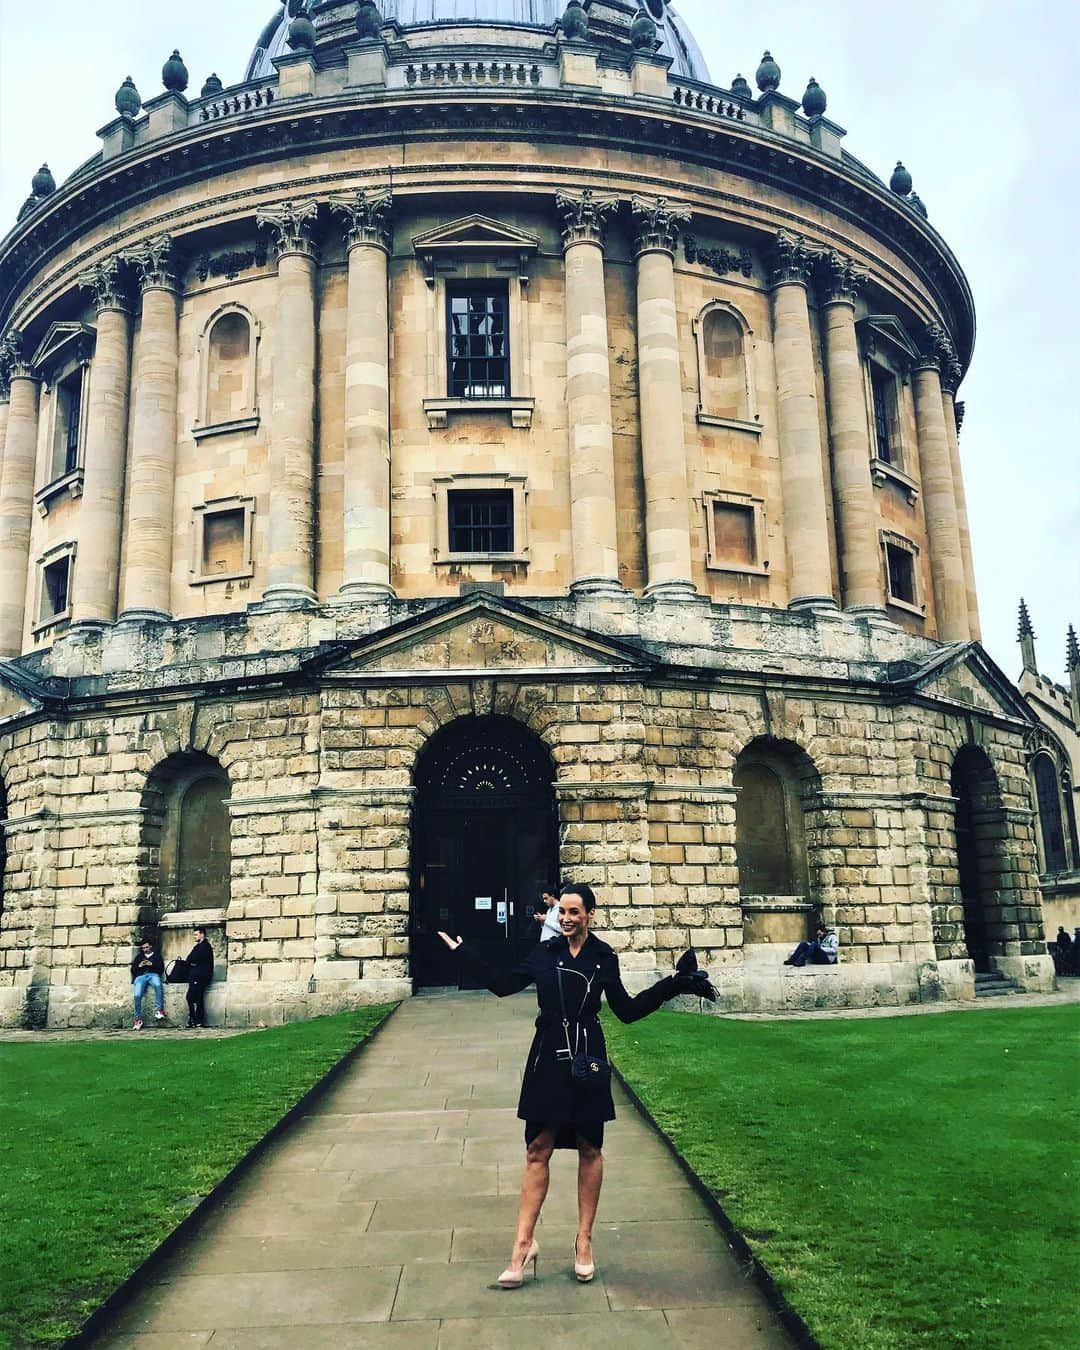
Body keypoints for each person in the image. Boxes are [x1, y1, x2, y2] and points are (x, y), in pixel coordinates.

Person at [438, 881, 714, 1289]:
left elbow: (627, 1010)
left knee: (589, 1146)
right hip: (547, 1057)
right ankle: (522, 1246)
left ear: (589, 915)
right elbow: (502, 984)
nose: (566, 919)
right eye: (562, 912)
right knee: (537, 1149)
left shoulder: (603, 958)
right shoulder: (544, 953)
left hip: (587, 1060)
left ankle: (584, 1242)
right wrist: (464, 953)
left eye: (573, 912)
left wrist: (674, 983)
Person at [130, 939, 165, 1029]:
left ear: (150, 946)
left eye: (146, 947)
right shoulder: (139, 957)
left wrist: (151, 964)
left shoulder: (157, 956)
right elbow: (133, 970)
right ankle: (138, 1019)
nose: (145, 949)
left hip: (153, 975)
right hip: (141, 976)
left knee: (157, 985)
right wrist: (139, 966)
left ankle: (159, 1010)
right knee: (137, 995)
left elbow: (161, 969)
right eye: (143, 948)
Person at [185, 926, 215, 1028]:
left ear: (202, 934)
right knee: (195, 998)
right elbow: (189, 959)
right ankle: (195, 1019)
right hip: (196, 975)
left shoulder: (205, 947)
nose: (194, 937)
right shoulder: (198, 947)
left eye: (196, 934)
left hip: (200, 976)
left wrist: (194, 962)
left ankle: (196, 1019)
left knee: (194, 997)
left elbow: (194, 958)